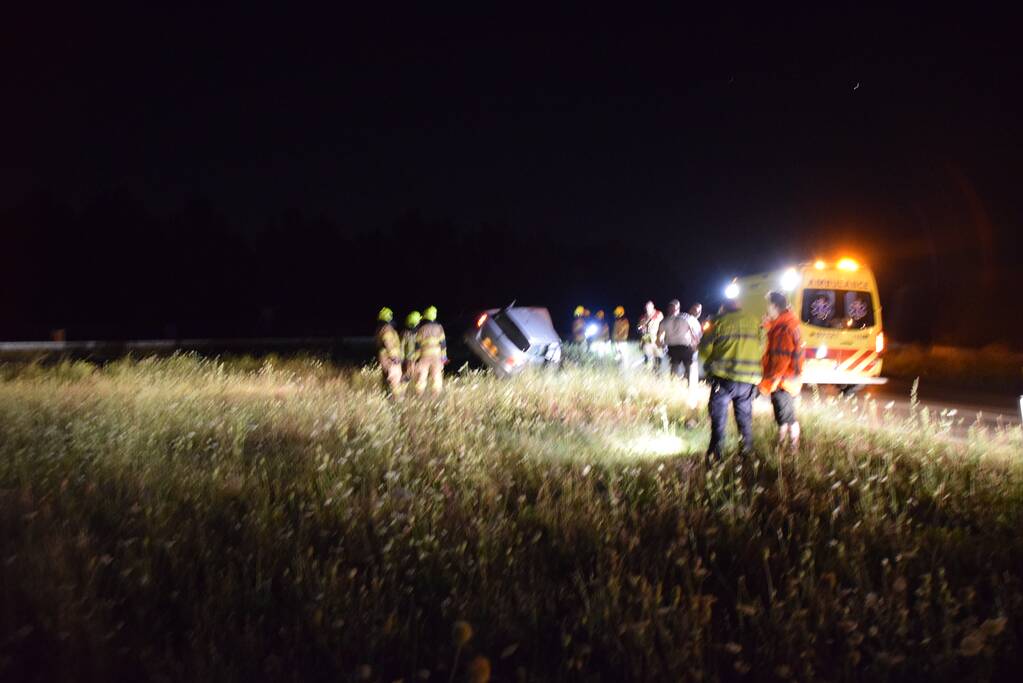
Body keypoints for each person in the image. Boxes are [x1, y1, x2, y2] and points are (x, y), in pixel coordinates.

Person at [699, 298, 765, 462]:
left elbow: (704, 348)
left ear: (724, 308)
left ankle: (715, 456)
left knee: (719, 419)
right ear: (740, 307)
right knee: (744, 420)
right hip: (748, 381)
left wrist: (709, 367)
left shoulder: (717, 322)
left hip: (723, 379)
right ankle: (747, 455)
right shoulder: (755, 321)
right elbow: (763, 345)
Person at [759, 291, 804, 450]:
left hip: (783, 381)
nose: (767, 309)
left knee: (788, 418)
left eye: (768, 306)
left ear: (774, 306)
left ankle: (791, 449)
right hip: (788, 380)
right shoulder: (787, 322)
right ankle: (782, 446)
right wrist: (769, 325)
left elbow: (781, 360)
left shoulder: (783, 328)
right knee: (784, 417)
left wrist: (768, 383)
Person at [659, 300, 703, 383]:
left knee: (674, 368)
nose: (697, 312)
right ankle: (689, 387)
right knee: (689, 368)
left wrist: (663, 345)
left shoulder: (665, 321)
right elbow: (697, 335)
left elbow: (659, 338)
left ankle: (673, 385)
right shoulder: (689, 318)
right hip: (686, 348)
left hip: (672, 348)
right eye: (696, 310)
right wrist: (696, 346)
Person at [414, 305, 447, 395]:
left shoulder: (421, 329)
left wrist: (416, 359)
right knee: (437, 376)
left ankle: (419, 394)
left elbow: (417, 346)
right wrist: (444, 357)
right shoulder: (439, 328)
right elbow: (443, 343)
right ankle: (435, 396)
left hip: (424, 356)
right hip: (437, 356)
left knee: (422, 376)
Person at [375, 307, 403, 396]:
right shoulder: (387, 329)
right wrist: (394, 358)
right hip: (391, 359)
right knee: (395, 379)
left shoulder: (380, 329)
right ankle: (397, 401)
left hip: (384, 358)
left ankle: (386, 398)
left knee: (386, 381)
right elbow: (388, 343)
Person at [637, 300, 664, 370]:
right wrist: (640, 329)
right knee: (647, 357)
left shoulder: (659, 314)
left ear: (653, 306)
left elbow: (663, 326)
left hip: (657, 338)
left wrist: (662, 338)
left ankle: (657, 373)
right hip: (647, 338)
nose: (647, 308)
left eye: (649, 307)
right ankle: (647, 372)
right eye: (646, 307)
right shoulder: (643, 317)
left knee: (658, 357)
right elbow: (639, 329)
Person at [401, 310, 422, 384]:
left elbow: (401, 346)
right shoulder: (419, 333)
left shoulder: (404, 333)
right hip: (414, 358)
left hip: (409, 357)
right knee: (410, 374)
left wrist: (401, 358)